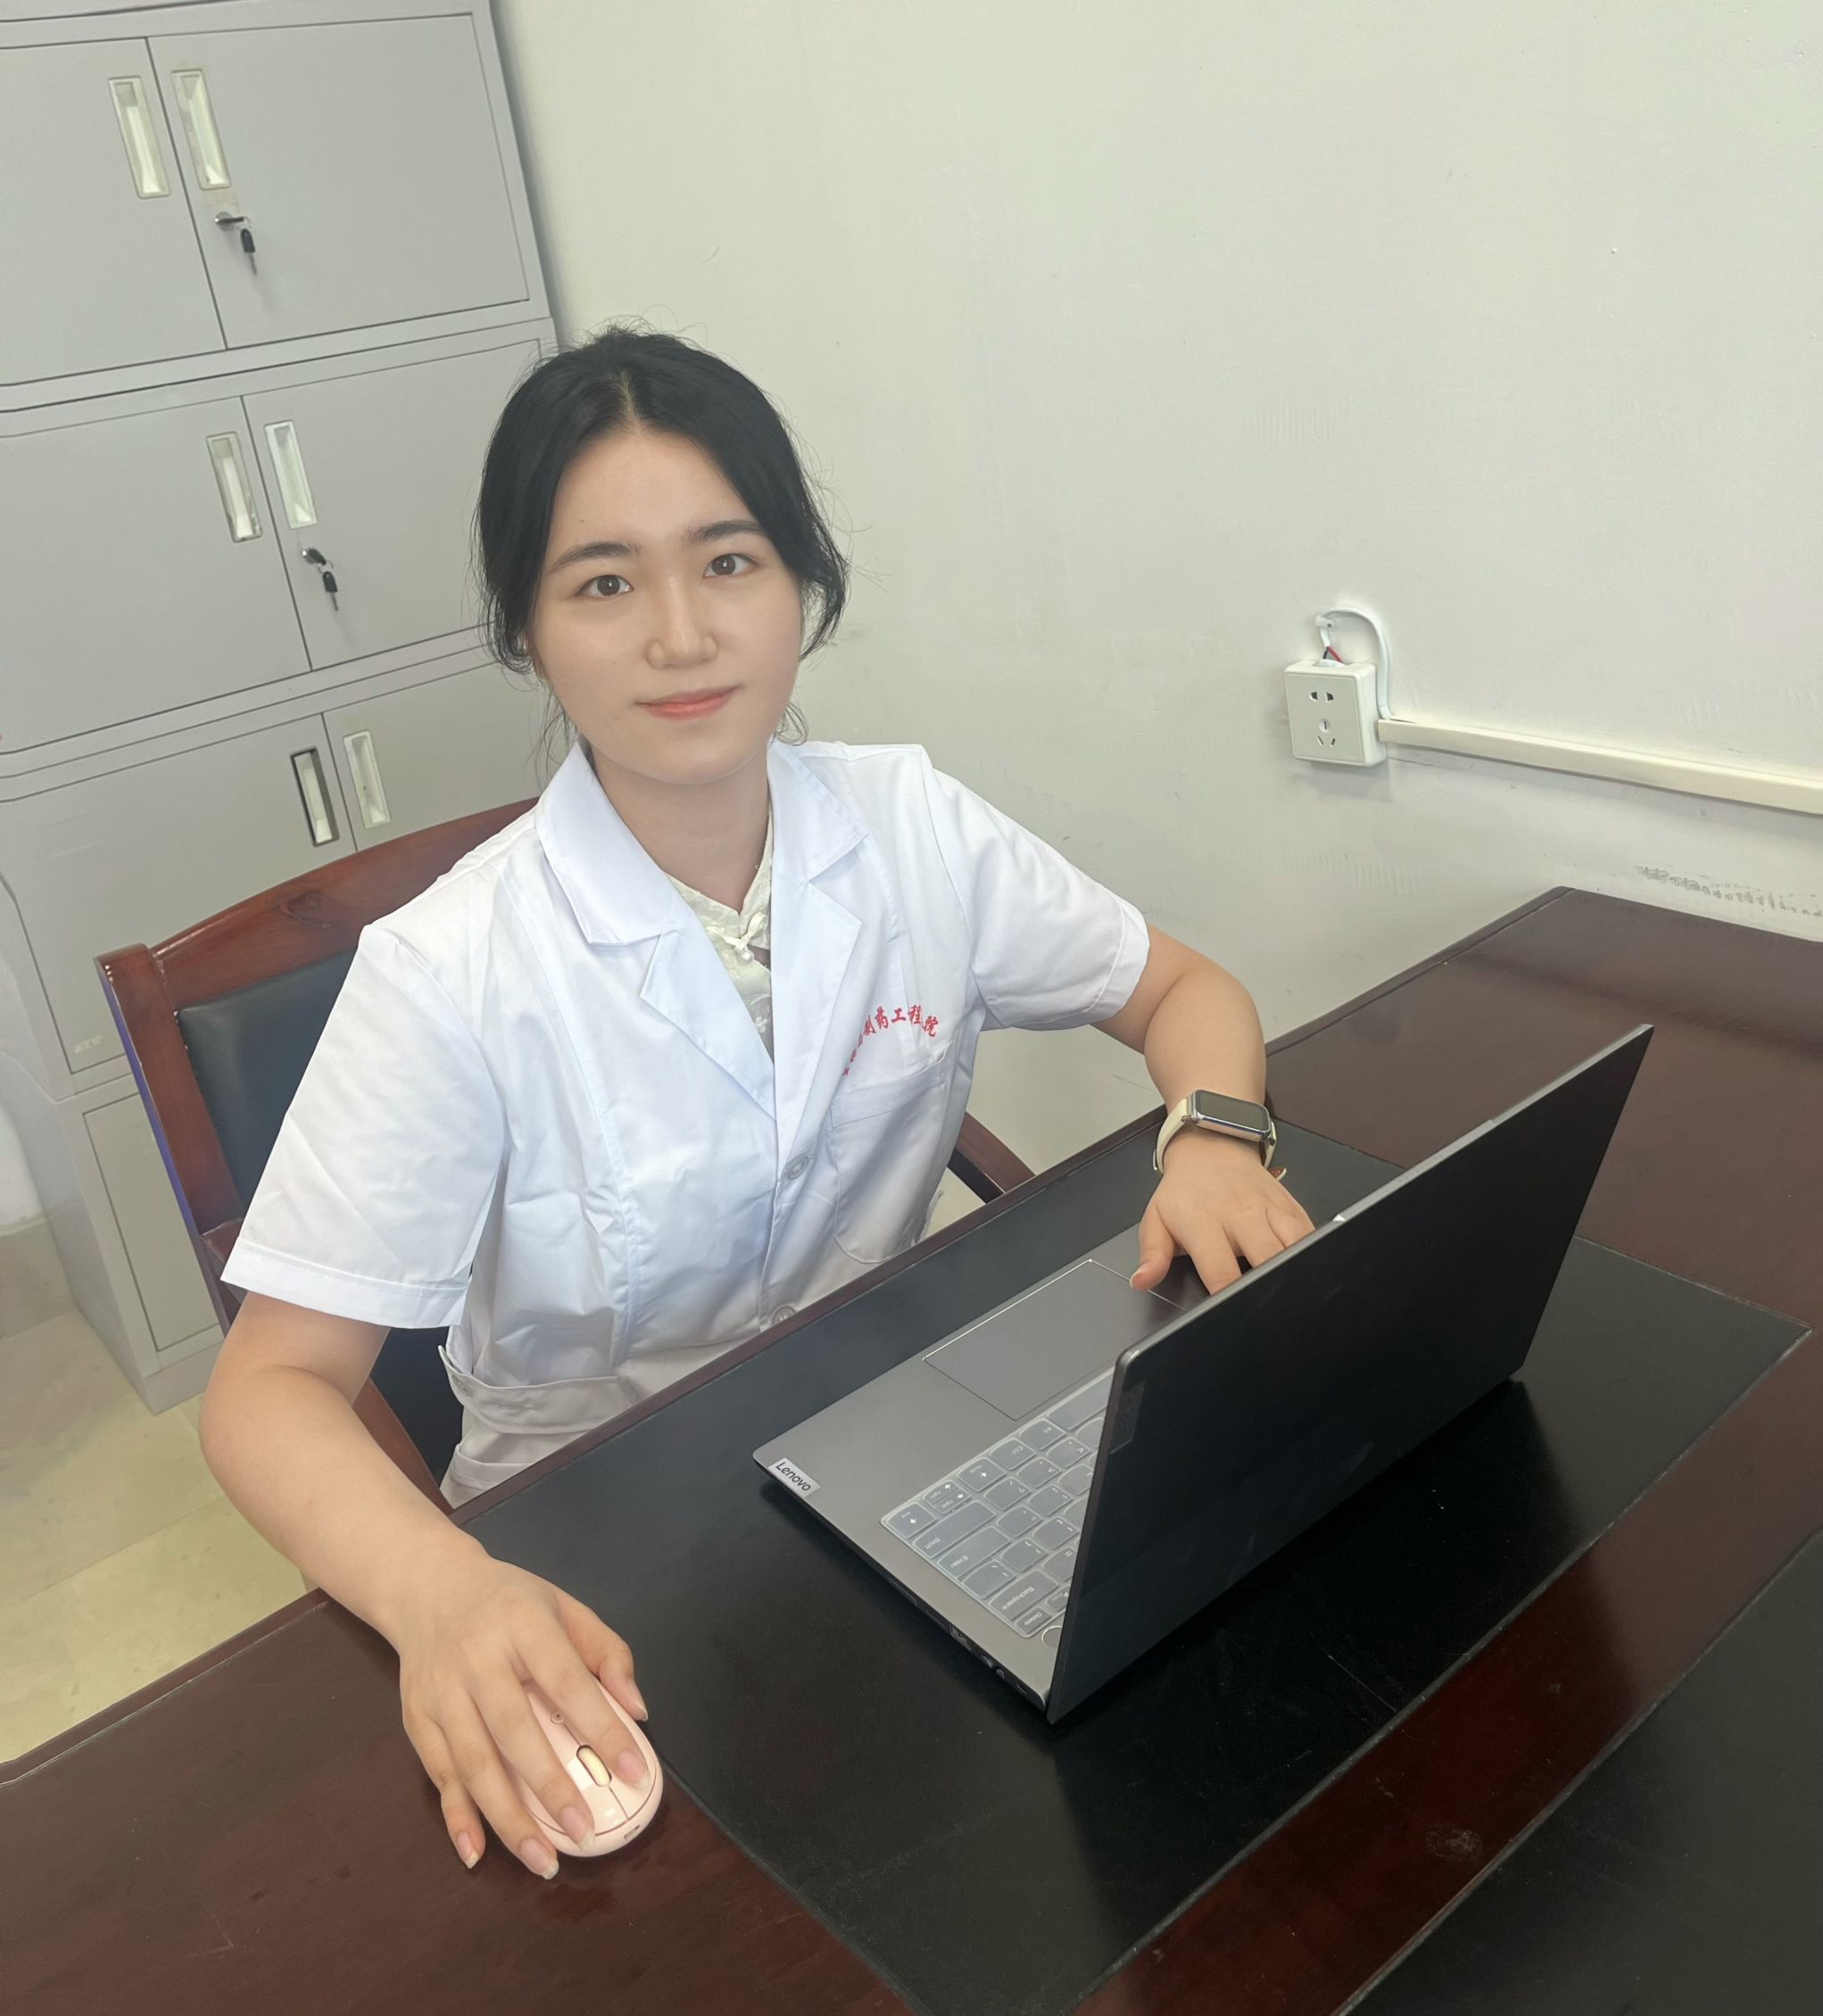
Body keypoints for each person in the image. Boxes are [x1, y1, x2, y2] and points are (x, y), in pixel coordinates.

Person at [199, 322, 1316, 1880]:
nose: (681, 635)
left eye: (728, 563)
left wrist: (1213, 1136)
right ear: (527, 629)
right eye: (604, 584)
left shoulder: (912, 825)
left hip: (896, 1444)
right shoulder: (453, 969)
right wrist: (439, 1592)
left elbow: (1183, 991)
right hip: (595, 1544)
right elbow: (268, 1394)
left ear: (803, 584)